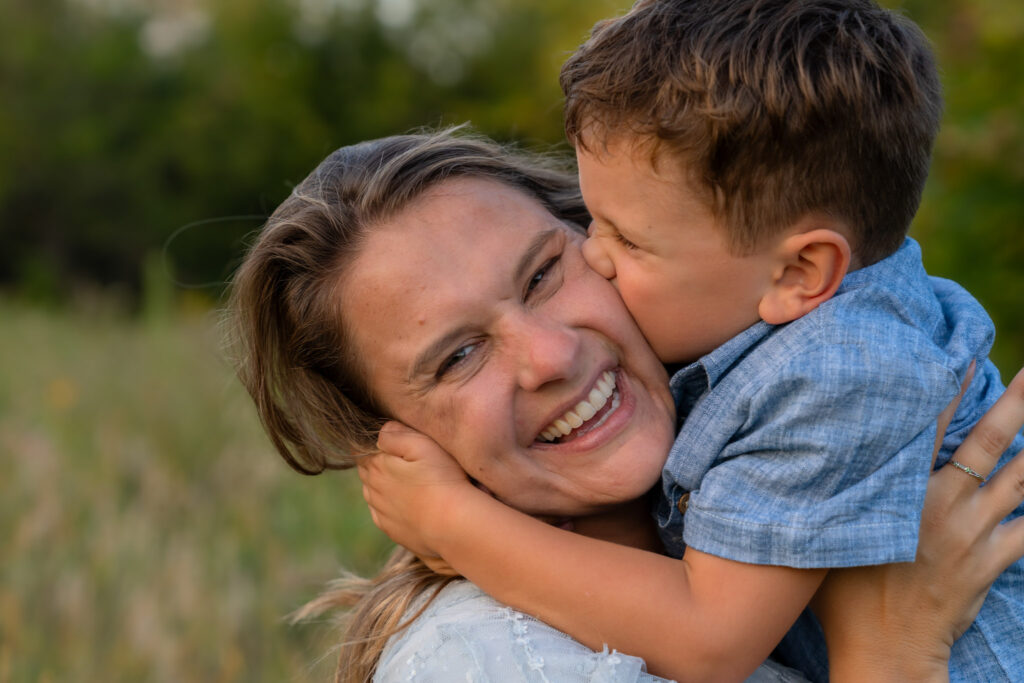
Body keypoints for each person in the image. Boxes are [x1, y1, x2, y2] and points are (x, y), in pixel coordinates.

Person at [359, 2, 1024, 681]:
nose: (596, 255)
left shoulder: (836, 369)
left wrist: (452, 520)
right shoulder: (768, 317)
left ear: (799, 273)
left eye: (629, 239)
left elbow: (710, 637)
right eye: (593, 222)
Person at [227, 128, 1024, 682]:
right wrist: (890, 658)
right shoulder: (489, 658)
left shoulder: (777, 442)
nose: (551, 355)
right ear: (395, 446)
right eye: (458, 357)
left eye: (543, 274)